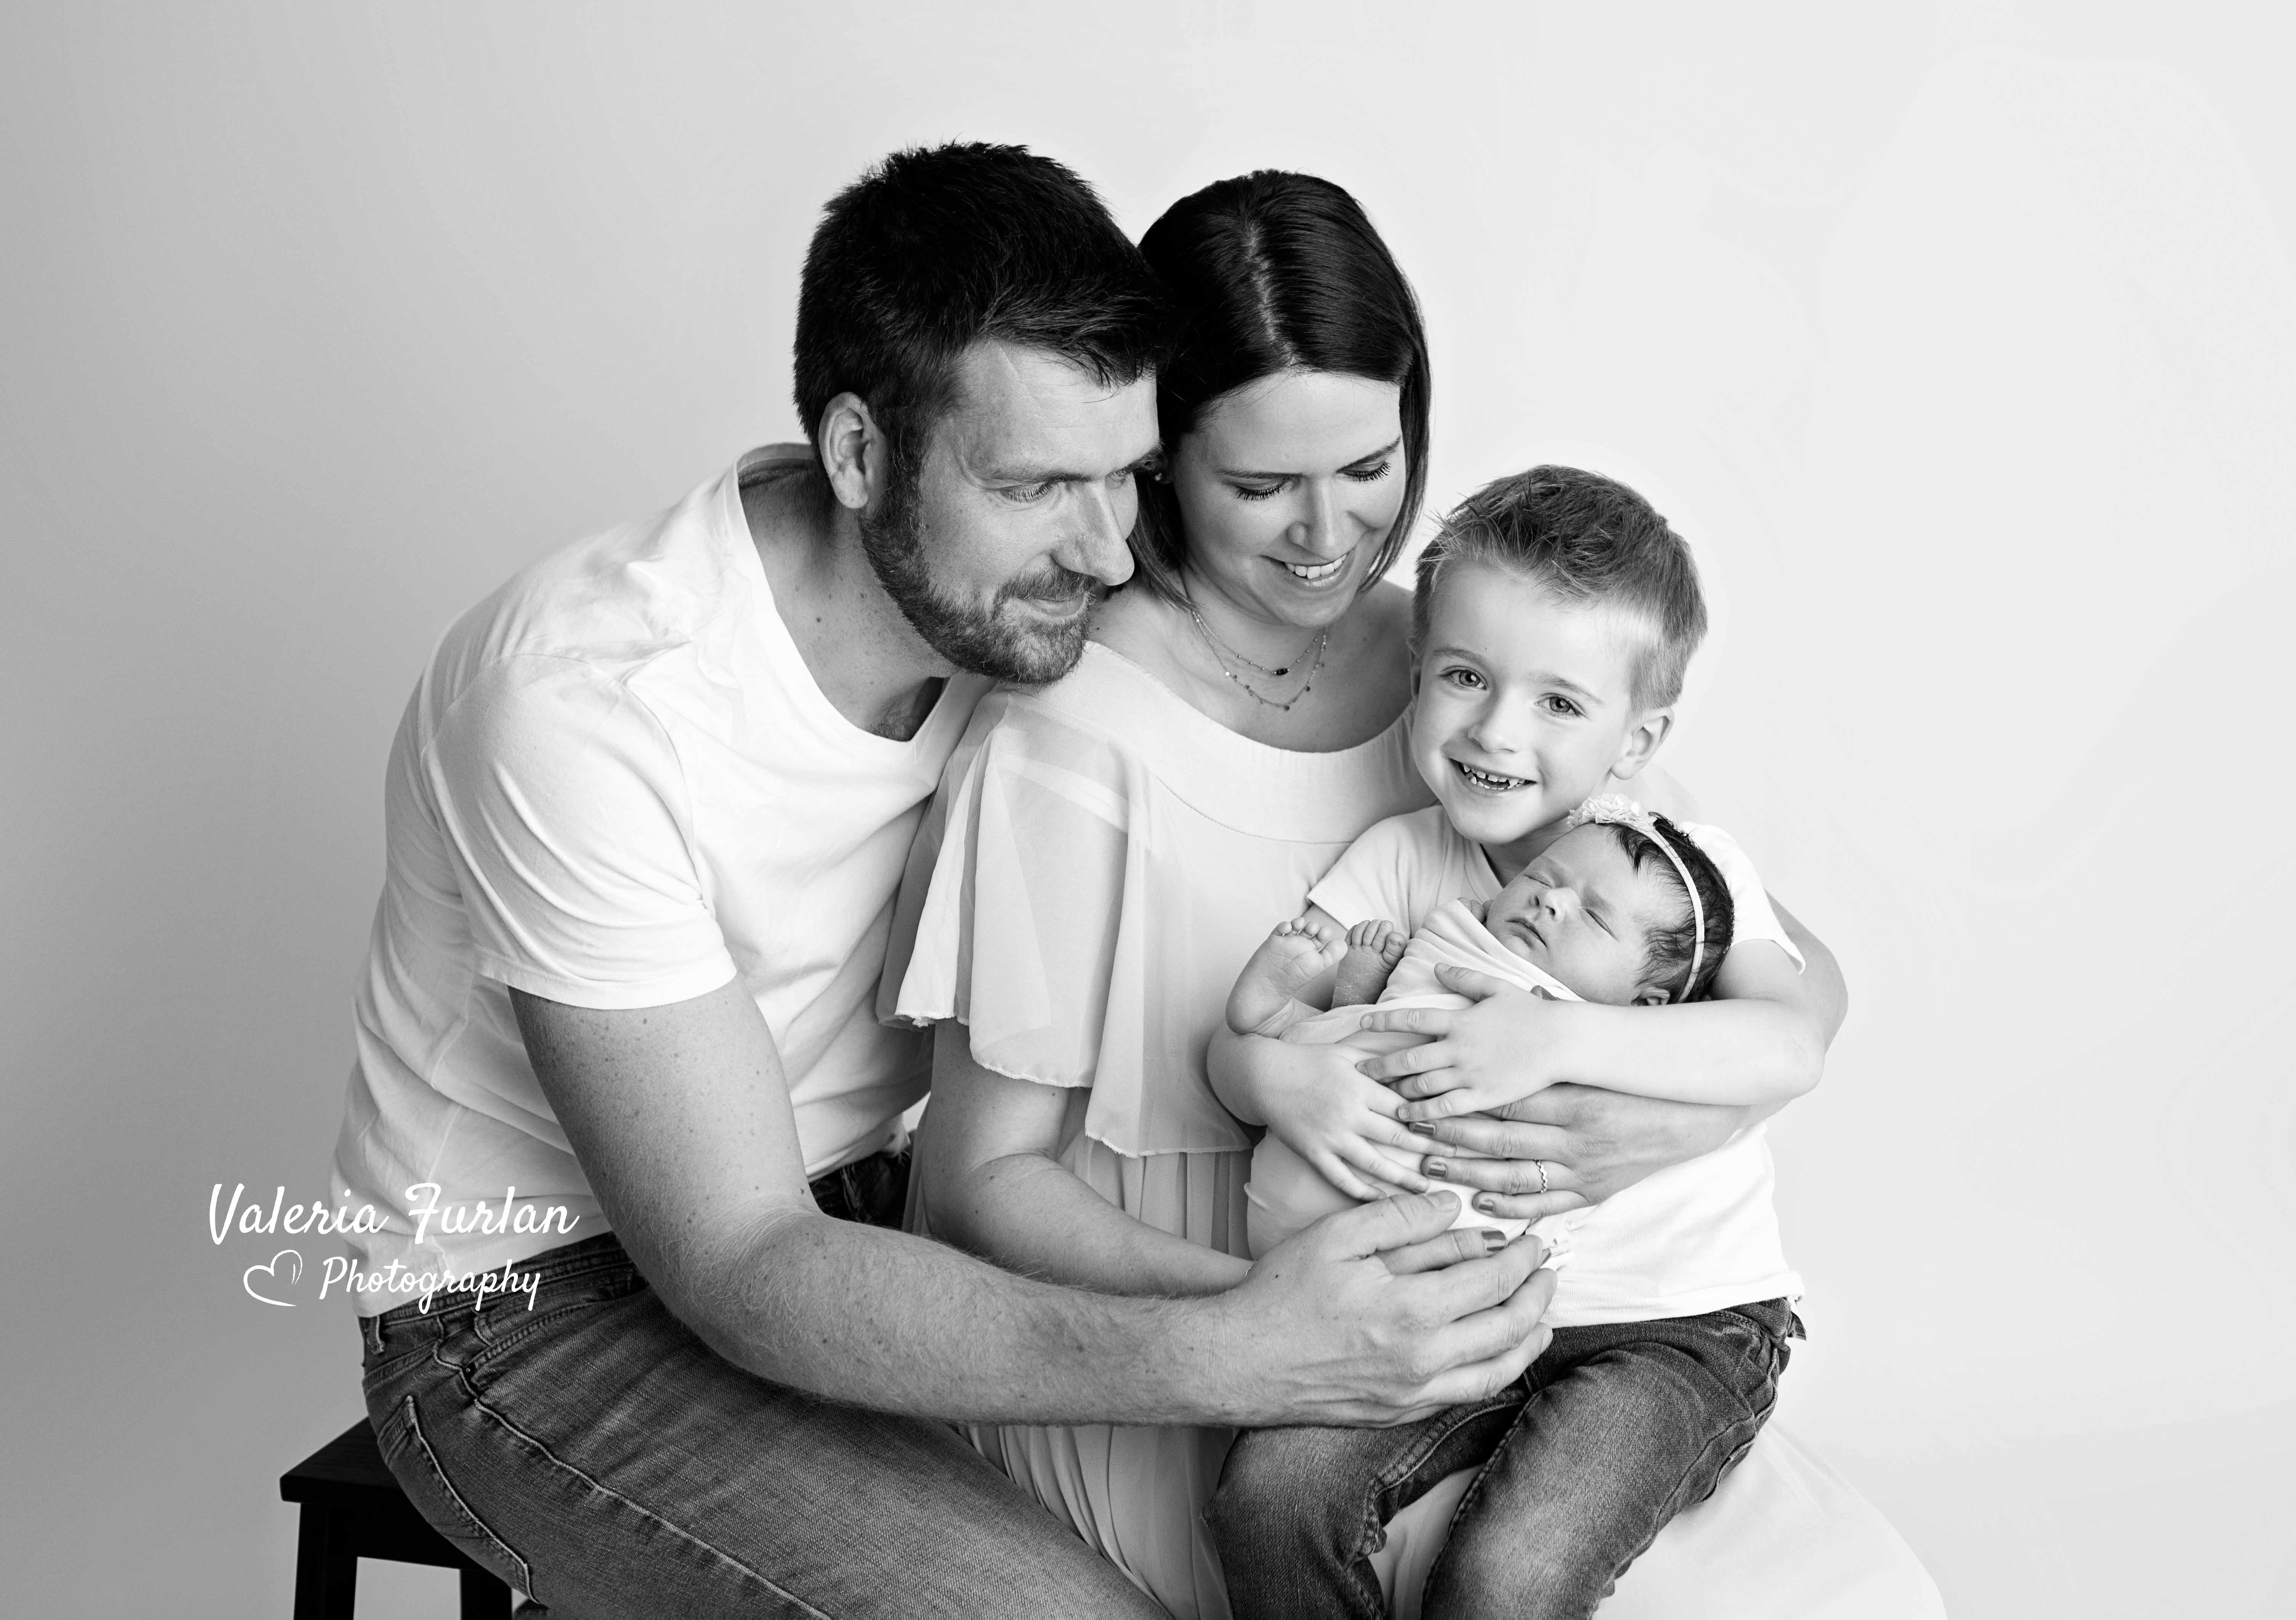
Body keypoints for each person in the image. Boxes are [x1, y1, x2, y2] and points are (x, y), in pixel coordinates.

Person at [326, 143, 1558, 1620]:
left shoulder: (1026, 607)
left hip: (873, 1216)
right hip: (540, 1307)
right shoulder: (588, 705)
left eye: (1127, 479)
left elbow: (1473, 717)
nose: (1108, 552)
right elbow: (737, 1259)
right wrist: (1242, 1337)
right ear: (859, 456)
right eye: (1040, 485)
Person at [890, 178, 1895, 1618]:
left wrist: (1646, 1106)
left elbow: (1758, 954)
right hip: (1195, 1338)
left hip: (1520, 1301)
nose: (1325, 534)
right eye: (1259, 486)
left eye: (1369, 464)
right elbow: (981, 1183)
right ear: (1156, 461)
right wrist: (1270, 1322)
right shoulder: (1071, 743)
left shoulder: (1460, 656)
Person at [1209, 470, 1810, 1618]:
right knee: (1267, 1498)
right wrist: (1273, 1067)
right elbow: (1247, 1036)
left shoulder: (1683, 873)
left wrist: (1554, 1036)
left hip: (1670, 1324)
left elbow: (1788, 1048)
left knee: (1506, 1574)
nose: (1494, 730)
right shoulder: (1397, 860)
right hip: (1468, 1298)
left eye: (1559, 702)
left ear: (1640, 739)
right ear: (1420, 668)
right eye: (1466, 677)